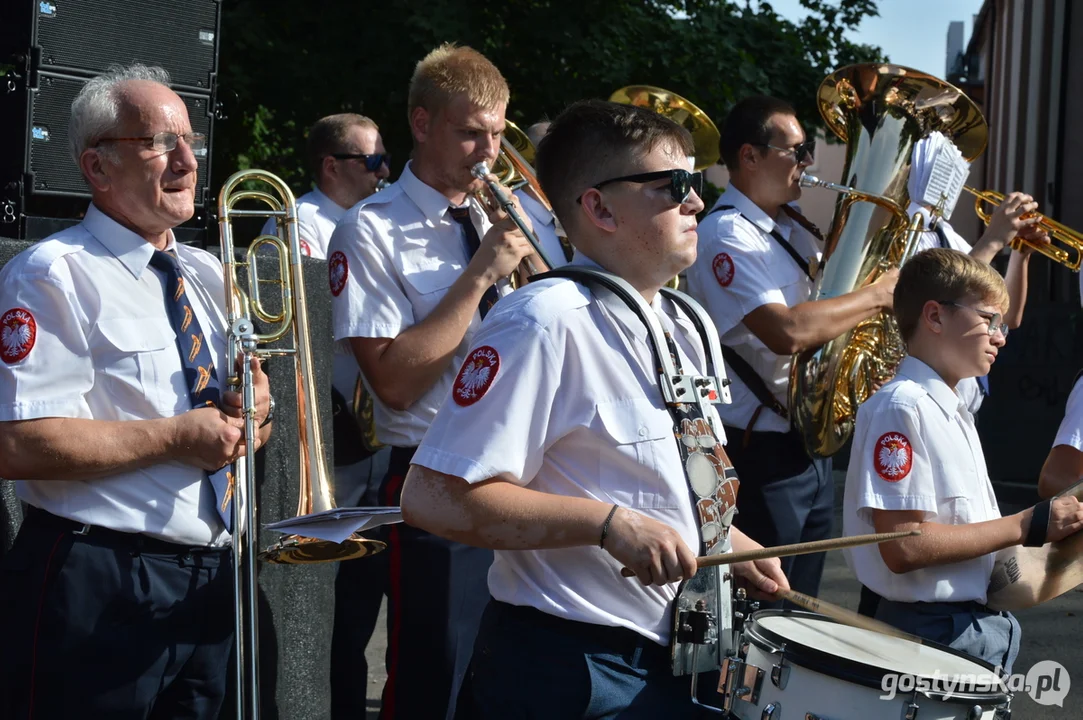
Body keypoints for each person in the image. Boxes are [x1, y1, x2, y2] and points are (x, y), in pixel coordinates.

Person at [400, 98, 789, 718]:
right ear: (599, 206)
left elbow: (657, 480)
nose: (696, 203)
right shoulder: (543, 320)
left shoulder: (685, 324)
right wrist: (606, 525)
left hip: (680, 662)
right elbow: (433, 496)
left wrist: (728, 541)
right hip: (567, 670)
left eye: (696, 183)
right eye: (674, 186)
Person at [0, 63, 272, 719]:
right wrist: (179, 438)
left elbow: (237, 405)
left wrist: (257, 408)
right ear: (97, 167)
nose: (186, 161)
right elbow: (19, 443)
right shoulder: (52, 273)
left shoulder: (207, 272)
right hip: (99, 577)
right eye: (157, 143)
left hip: (213, 581)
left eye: (191, 142)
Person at [326, 43, 536, 720]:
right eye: (471, 132)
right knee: (433, 685)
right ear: (421, 123)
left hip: (527, 476)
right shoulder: (371, 229)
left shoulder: (504, 214)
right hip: (436, 476)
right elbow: (391, 381)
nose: (489, 152)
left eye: (499, 133)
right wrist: (479, 273)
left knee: (508, 681)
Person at [685, 95, 898, 602]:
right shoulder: (726, 234)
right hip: (761, 454)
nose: (808, 164)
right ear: (750, 156)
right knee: (760, 606)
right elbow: (787, 331)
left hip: (807, 444)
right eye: (796, 152)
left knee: (800, 608)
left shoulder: (794, 228)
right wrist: (878, 295)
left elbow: (831, 312)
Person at [843, 247, 1083, 673]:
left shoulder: (954, 409)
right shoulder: (903, 407)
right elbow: (901, 546)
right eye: (989, 320)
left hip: (967, 629)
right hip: (927, 634)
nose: (1001, 337)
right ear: (934, 317)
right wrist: (1027, 523)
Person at [257, 113, 392, 719]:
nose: (385, 171)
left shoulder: (375, 226)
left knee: (361, 600)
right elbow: (308, 324)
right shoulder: (297, 224)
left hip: (371, 429)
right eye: (372, 161)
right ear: (332, 166)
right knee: (320, 599)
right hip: (325, 428)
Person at [906, 133, 1048, 414]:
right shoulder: (904, 236)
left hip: (964, 407)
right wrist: (992, 240)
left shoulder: (953, 238)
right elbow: (940, 301)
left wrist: (1020, 253)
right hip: (925, 399)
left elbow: (1007, 317)